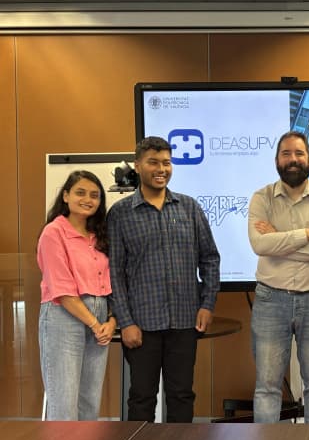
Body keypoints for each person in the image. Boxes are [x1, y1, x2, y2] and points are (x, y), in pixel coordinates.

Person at [108, 136, 220, 422]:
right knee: (142, 397)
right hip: (141, 325)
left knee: (181, 395)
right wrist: (126, 322)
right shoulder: (120, 214)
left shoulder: (189, 208)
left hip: (185, 321)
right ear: (138, 165)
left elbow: (209, 258)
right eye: (153, 162)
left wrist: (207, 304)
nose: (162, 169)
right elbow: (115, 273)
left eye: (167, 163)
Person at [248, 130, 309, 423]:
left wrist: (279, 240)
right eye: (286, 153)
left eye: (299, 154)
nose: (293, 159)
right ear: (276, 160)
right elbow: (259, 245)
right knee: (267, 388)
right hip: (269, 300)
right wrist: (304, 236)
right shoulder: (261, 198)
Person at [37, 170, 116, 420]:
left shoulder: (100, 236)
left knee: (89, 402)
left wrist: (111, 323)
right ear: (66, 196)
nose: (88, 199)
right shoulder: (53, 232)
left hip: (100, 319)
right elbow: (62, 289)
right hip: (64, 316)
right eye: (80, 192)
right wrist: (95, 324)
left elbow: (113, 284)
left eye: (95, 195)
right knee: (64, 404)